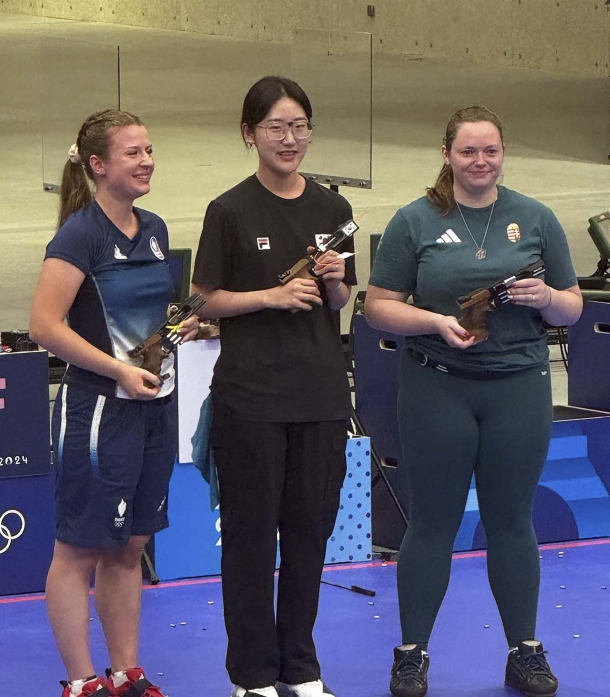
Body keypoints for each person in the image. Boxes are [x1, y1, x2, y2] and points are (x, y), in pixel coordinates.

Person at [365, 106, 582, 697]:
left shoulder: (535, 218)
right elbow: (377, 304)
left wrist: (544, 297)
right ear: (447, 155)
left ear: (503, 154)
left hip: (519, 389)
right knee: (431, 524)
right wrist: (434, 321)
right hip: (437, 388)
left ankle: (525, 650)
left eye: (490, 151)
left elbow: (572, 308)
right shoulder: (415, 221)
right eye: (468, 152)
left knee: (512, 521)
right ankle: (411, 655)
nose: (480, 162)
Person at [191, 76, 357, 697]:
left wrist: (337, 280)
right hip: (251, 398)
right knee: (252, 538)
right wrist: (272, 295)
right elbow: (206, 299)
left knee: (310, 533)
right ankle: (254, 674)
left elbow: (338, 301)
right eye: (276, 129)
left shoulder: (334, 210)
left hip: (319, 396)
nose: (290, 140)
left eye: (299, 127)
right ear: (249, 134)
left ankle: (302, 666)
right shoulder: (229, 210)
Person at [29, 109, 198, 697]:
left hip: (154, 407)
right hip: (99, 411)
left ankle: (125, 671)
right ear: (98, 166)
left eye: (149, 150)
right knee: (79, 548)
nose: (147, 160)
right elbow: (45, 325)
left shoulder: (151, 227)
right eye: (133, 153)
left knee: (130, 546)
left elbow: (146, 316)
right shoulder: (80, 234)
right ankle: (81, 681)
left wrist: (181, 328)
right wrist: (119, 370)